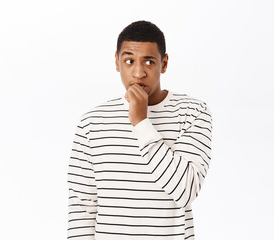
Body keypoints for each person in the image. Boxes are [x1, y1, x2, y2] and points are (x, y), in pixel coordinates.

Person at [67, 20, 213, 240]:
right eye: (129, 61)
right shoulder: (92, 123)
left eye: (149, 62)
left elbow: (185, 191)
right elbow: (82, 209)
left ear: (163, 64)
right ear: (117, 62)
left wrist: (141, 122)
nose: (138, 73)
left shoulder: (192, 113)